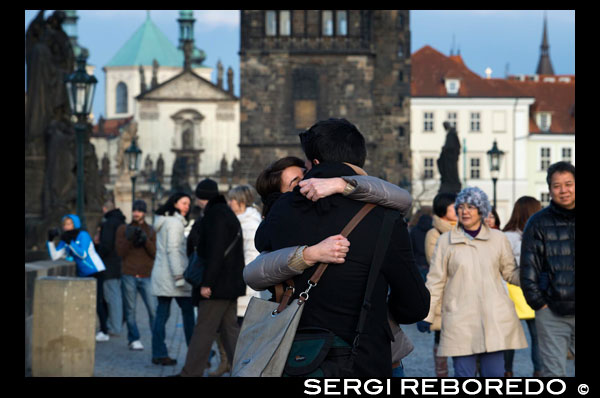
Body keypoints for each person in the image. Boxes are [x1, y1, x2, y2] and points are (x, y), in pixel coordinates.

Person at [253, 118, 430, 377]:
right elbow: (415, 305)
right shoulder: (384, 217)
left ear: (313, 163)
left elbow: (263, 254)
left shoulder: (282, 209)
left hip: (296, 357)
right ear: (360, 160)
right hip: (363, 360)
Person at [418, 186, 527, 377]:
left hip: (494, 319)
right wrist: (426, 315)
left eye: (471, 207)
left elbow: (510, 273)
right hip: (460, 321)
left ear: (482, 211)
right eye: (461, 206)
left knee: (494, 375)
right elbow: (435, 281)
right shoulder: (445, 241)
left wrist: (531, 276)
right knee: (464, 375)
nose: (465, 211)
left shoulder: (498, 239)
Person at [178, 179, 246, 377]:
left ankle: (190, 373)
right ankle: (245, 370)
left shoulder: (214, 216)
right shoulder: (226, 213)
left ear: (201, 197)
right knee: (229, 331)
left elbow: (215, 253)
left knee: (203, 331)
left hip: (217, 285)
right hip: (230, 284)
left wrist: (207, 283)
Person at [520, 161, 575, 377]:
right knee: (554, 374)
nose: (564, 190)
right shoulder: (538, 222)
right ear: (550, 189)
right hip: (552, 312)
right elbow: (528, 268)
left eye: (569, 184)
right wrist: (539, 303)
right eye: (557, 186)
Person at [47, 214, 109, 342]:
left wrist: (70, 243)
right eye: (65, 224)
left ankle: (104, 331)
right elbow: (55, 256)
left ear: (75, 224)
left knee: (97, 301)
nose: (66, 227)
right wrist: (50, 241)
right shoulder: (65, 239)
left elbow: (83, 254)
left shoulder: (83, 235)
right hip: (83, 273)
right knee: (87, 302)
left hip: (96, 270)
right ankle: (89, 328)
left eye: (69, 224)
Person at [151, 192, 195, 366]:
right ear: (175, 203)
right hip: (173, 277)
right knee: (187, 314)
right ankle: (196, 354)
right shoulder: (174, 223)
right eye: (184, 203)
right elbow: (173, 250)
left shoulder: (164, 221)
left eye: (188, 204)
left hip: (163, 274)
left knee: (162, 314)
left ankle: (159, 353)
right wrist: (179, 275)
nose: (187, 207)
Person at [502, 196, 543, 377]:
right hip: (531, 289)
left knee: (508, 338)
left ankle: (507, 371)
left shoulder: (505, 236)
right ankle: (539, 372)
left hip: (511, 290)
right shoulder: (536, 233)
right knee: (538, 337)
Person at [422, 192, 457, 377]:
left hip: (465, 294)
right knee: (441, 337)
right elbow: (433, 261)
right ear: (443, 210)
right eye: (453, 206)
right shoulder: (434, 233)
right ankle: (442, 376)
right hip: (444, 295)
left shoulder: (464, 229)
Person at [115, 199, 158, 351]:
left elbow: (154, 253)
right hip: (129, 274)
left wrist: (145, 240)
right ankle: (134, 339)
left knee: (153, 310)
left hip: (146, 275)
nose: (136, 213)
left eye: (139, 210)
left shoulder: (151, 230)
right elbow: (120, 252)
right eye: (134, 210)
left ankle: (157, 338)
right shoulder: (123, 229)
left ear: (144, 213)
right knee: (130, 310)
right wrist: (130, 239)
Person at [96, 201, 126, 337]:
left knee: (112, 297)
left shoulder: (109, 223)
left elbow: (106, 245)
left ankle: (115, 327)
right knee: (116, 296)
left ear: (104, 208)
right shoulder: (121, 221)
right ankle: (116, 324)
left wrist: (98, 252)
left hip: (109, 264)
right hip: (119, 263)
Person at [409, 207, 433, 280]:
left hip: (417, 263)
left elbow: (411, 248)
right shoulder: (434, 230)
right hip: (430, 264)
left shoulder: (413, 230)